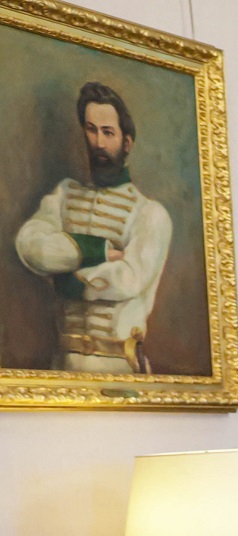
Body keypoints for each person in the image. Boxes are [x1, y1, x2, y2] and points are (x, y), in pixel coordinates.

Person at [14, 82, 173, 374]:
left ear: (127, 143)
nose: (98, 142)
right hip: (63, 366)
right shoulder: (64, 195)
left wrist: (68, 281)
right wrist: (95, 250)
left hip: (120, 368)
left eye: (108, 132)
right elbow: (30, 246)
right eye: (91, 129)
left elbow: (129, 278)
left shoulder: (150, 214)